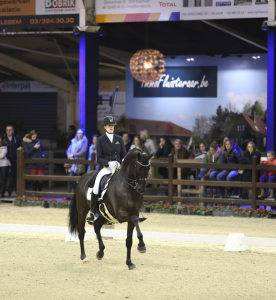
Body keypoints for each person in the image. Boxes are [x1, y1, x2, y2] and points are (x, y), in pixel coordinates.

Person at [86, 116, 126, 224]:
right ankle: (92, 212)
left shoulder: (119, 139)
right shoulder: (101, 140)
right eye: (109, 125)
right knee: (96, 184)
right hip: (106, 168)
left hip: (118, 167)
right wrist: (108, 163)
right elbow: (99, 158)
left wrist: (120, 162)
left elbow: (124, 155)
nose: (111, 127)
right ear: (104, 127)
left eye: (112, 125)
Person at [4, 125, 22, 190]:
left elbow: (21, 147)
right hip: (5, 159)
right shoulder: (4, 139)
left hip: (15, 159)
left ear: (13, 130)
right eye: (7, 130)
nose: (8, 131)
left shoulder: (17, 138)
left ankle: (16, 190)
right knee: (4, 175)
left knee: (15, 175)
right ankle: (4, 190)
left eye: (10, 130)